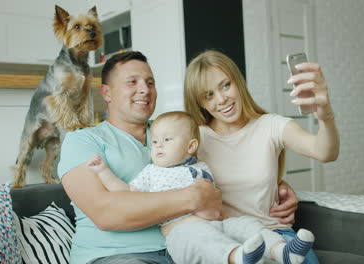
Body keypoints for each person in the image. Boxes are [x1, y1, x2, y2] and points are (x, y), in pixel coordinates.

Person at [58, 51, 299, 264]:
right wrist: (193, 197)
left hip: (186, 248)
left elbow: (232, 159)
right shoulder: (83, 140)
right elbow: (107, 213)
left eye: (150, 82)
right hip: (118, 255)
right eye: (132, 82)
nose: (144, 89)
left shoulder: (173, 131)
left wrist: (276, 185)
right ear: (106, 93)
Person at [86, 111, 315, 264]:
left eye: (167, 140)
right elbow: (126, 193)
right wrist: (103, 172)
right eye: (155, 141)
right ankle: (236, 256)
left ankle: (282, 251)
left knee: (246, 224)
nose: (158, 146)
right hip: (182, 234)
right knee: (201, 238)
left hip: (219, 224)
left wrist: (279, 183)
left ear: (191, 146)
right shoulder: (152, 172)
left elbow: (241, 176)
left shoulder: (202, 165)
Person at [181, 50, 340, 264]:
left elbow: (325, 153)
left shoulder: (271, 125)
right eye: (208, 95)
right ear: (200, 103)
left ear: (238, 81)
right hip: (227, 241)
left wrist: (325, 115)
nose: (222, 99)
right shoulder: (196, 139)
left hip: (276, 235)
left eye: (225, 85)